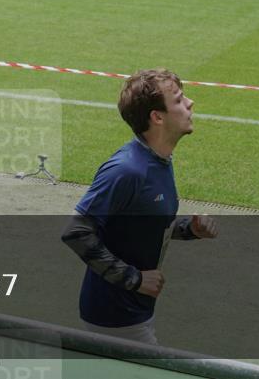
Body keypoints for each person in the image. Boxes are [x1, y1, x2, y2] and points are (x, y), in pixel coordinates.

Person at [61, 69, 217, 345]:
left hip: (135, 309)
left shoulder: (158, 160)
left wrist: (189, 228)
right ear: (157, 117)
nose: (190, 103)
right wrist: (133, 279)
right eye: (179, 100)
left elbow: (141, 223)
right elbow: (76, 232)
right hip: (114, 315)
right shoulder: (127, 171)